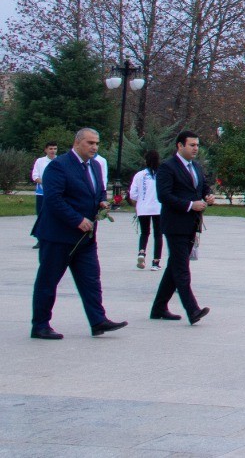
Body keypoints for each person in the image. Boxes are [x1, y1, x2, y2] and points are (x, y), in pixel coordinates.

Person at [30, 128, 128, 340]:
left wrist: (101, 202)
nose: (94, 147)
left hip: (85, 237)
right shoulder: (59, 166)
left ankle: (98, 320)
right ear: (77, 143)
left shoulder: (95, 165)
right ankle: (40, 325)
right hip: (57, 236)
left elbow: (98, 191)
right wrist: (77, 220)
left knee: (91, 279)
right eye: (90, 143)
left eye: (97, 143)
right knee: (48, 281)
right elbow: (53, 199)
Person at [151, 130, 213, 325]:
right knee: (181, 269)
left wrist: (208, 196)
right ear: (180, 145)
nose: (196, 149)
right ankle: (192, 310)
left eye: (197, 145)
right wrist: (190, 205)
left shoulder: (196, 166)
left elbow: (203, 187)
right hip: (175, 224)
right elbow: (164, 196)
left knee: (175, 266)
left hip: (191, 224)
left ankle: (159, 307)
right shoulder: (167, 167)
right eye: (192, 145)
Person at [128, 150, 163, 270]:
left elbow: (133, 194)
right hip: (158, 208)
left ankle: (141, 252)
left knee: (144, 232)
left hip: (143, 208)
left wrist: (138, 201)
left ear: (146, 160)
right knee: (158, 234)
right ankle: (155, 262)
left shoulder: (139, 175)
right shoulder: (161, 174)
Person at [29, 141, 57, 247]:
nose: (53, 151)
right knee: (41, 216)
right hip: (42, 193)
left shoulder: (60, 161)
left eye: (55, 148)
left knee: (55, 216)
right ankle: (41, 239)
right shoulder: (40, 161)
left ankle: (54, 239)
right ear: (46, 150)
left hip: (56, 194)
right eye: (51, 149)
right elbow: (35, 176)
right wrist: (45, 182)